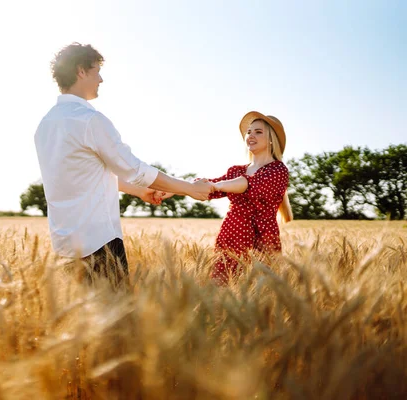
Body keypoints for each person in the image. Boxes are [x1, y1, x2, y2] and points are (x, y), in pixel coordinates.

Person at [34, 43, 215, 287]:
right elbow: (136, 170)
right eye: (96, 70)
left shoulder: (44, 126)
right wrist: (189, 189)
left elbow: (87, 175)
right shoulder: (90, 120)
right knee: (117, 320)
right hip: (99, 242)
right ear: (81, 71)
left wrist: (139, 192)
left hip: (65, 244)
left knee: (83, 321)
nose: (101, 79)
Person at [199, 112, 293, 285]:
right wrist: (173, 189)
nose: (251, 136)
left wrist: (218, 185)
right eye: (249, 132)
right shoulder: (235, 170)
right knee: (221, 285)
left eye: (258, 132)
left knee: (259, 289)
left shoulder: (278, 170)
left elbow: (248, 184)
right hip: (232, 233)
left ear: (271, 139)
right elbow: (207, 188)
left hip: (262, 236)